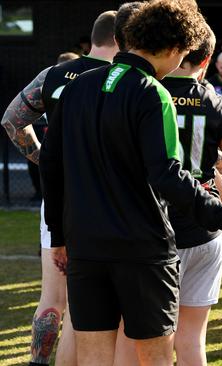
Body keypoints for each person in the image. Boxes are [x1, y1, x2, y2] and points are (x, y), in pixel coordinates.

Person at [39, 2, 222, 364]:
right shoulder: (153, 92)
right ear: (170, 49)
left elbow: (51, 167)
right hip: (143, 249)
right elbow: (168, 176)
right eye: (181, 53)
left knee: (93, 355)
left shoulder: (76, 87)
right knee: (155, 357)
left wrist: (58, 236)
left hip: (85, 245)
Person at [1, 10, 119, 366]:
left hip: (59, 195)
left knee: (52, 297)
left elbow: (12, 120)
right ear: (120, 39)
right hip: (105, 199)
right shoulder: (123, 77)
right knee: (96, 302)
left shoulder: (53, 75)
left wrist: (42, 158)